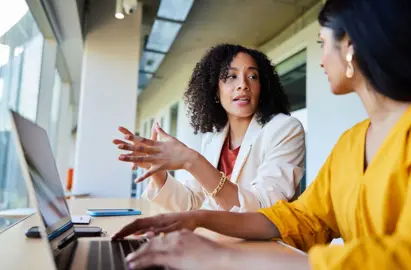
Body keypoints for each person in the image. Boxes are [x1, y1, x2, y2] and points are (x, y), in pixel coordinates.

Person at [113, 0, 411, 269]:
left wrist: (224, 257)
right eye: (231, 78)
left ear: (349, 45)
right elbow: (301, 219)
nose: (320, 60)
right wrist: (197, 219)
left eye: (322, 43)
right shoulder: (353, 141)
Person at [113, 44, 305, 212]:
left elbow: (264, 208)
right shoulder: (214, 138)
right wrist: (157, 172)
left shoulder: (284, 129)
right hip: (218, 244)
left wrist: (192, 161)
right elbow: (193, 202)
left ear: (262, 87)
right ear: (215, 90)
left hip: (266, 249)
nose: (243, 85)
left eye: (252, 76)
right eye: (232, 76)